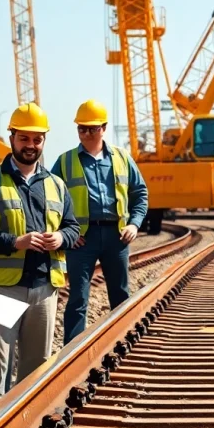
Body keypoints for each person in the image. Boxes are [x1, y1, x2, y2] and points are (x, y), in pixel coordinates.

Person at [0, 103, 80, 406]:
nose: (30, 146)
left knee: (37, 364)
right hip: (2, 288)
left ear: (44, 140)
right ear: (12, 138)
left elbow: (72, 228)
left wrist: (60, 236)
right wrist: (15, 242)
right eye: (24, 138)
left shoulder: (56, 185)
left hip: (44, 288)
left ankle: (26, 424)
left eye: (37, 139)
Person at [51, 99, 148, 345]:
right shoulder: (65, 161)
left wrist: (134, 224)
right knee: (77, 298)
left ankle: (123, 342)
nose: (86, 133)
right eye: (82, 128)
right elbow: (49, 201)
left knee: (120, 295)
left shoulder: (122, 158)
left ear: (104, 128)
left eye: (92, 128)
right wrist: (66, 233)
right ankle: (71, 351)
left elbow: (140, 194)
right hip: (82, 240)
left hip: (117, 236)